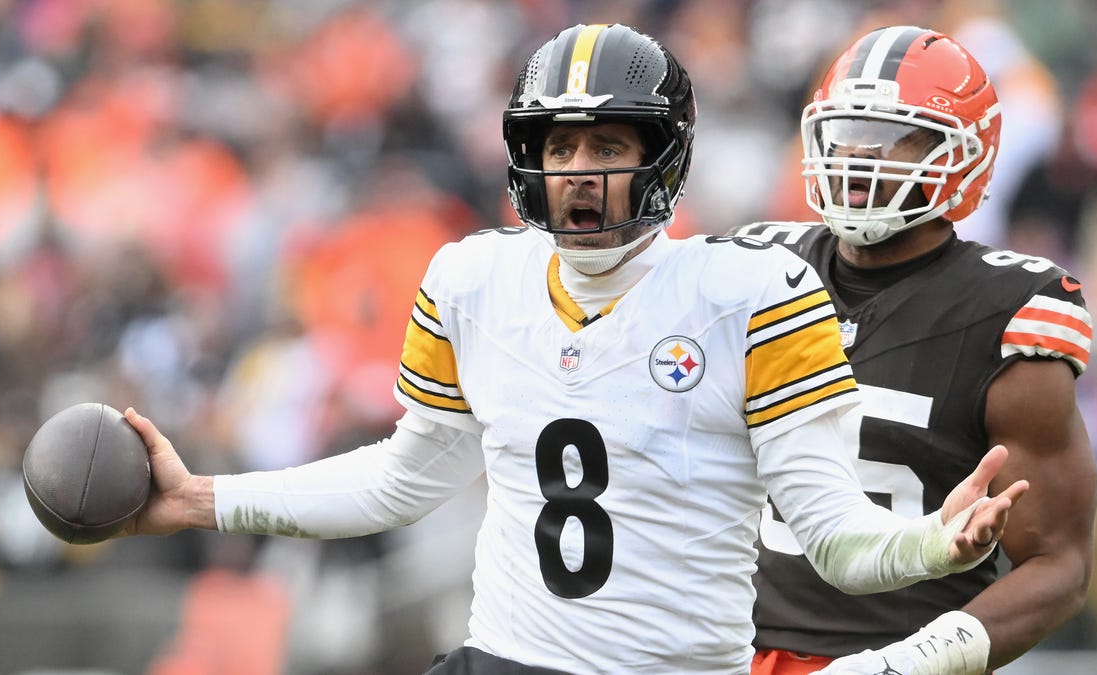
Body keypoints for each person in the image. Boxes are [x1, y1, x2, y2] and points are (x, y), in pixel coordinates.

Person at [118, 24, 1028, 675]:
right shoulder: (472, 279)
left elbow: (832, 538)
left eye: (608, 143)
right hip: (503, 658)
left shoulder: (755, 294)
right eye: (561, 145)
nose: (581, 170)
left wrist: (928, 546)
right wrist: (202, 498)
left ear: (663, 158)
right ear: (527, 159)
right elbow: (402, 479)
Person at [727, 25, 1097, 675]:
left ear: (966, 155)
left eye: (895, 140)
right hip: (725, 649)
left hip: (893, 652)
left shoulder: (1009, 310)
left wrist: (911, 663)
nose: (859, 159)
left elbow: (1059, 563)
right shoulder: (752, 269)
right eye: (847, 135)